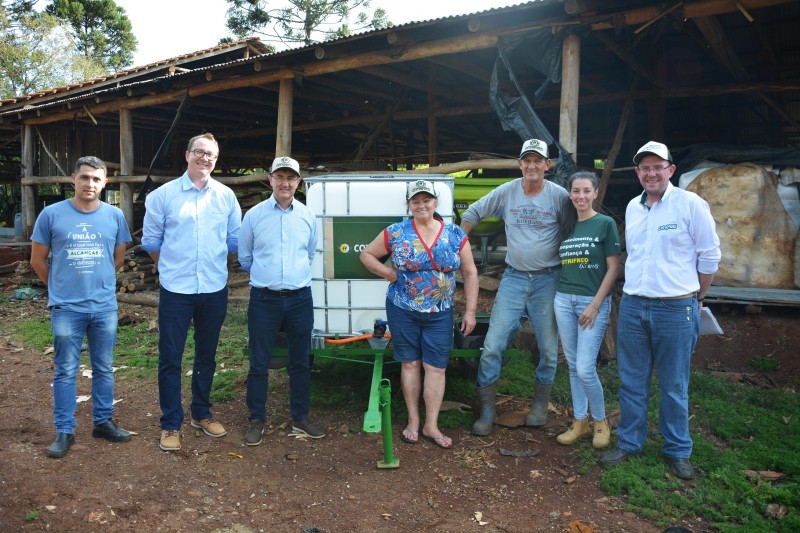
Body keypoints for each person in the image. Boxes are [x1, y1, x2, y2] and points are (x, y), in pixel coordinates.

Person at [600, 141, 721, 480]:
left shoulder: (690, 204)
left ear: (671, 170)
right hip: (634, 305)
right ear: (638, 173)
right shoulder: (634, 208)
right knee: (632, 380)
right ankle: (630, 442)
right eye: (644, 167)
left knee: (673, 384)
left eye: (658, 167)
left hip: (675, 307)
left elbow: (710, 257)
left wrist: (696, 296)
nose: (651, 173)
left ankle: (677, 450)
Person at [141, 133, 242, 452]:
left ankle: (201, 412)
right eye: (199, 152)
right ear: (187, 155)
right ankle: (171, 422)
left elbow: (234, 242)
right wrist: (171, 268)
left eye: (211, 154)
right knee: (170, 357)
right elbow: (151, 242)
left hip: (213, 288)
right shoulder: (163, 196)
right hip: (177, 290)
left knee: (207, 354)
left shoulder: (226, 197)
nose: (205, 158)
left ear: (216, 159)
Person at [461, 139, 568, 436]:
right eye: (526, 160)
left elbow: (577, 229)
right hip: (514, 278)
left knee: (548, 349)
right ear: (520, 164)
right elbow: (472, 213)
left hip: (548, 279)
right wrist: (458, 246)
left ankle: (538, 407)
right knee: (493, 344)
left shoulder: (559, 196)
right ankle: (487, 410)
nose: (532, 165)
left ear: (548, 165)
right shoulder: (508, 192)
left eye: (538, 160)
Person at [360, 180, 478, 449]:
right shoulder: (396, 232)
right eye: (416, 201)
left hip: (440, 312)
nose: (421, 205)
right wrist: (389, 273)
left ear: (436, 203)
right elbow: (367, 255)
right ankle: (413, 420)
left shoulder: (455, 233)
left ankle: (431, 424)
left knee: (436, 367)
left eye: (427, 200)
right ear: (409, 205)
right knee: (410, 364)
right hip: (403, 310)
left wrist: (470, 311)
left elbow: (470, 272)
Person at [30, 156, 133, 458]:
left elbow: (117, 259)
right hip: (66, 308)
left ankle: (102, 422)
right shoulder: (51, 215)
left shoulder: (114, 217)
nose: (90, 184)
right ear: (73, 179)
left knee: (103, 367)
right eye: (85, 177)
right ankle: (64, 430)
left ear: (105, 183)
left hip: (103, 307)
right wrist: (60, 288)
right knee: (65, 370)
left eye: (96, 179)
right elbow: (37, 260)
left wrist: (96, 285)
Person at [240, 156, 324, 446]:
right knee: (259, 362)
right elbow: (246, 258)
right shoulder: (254, 216)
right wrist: (270, 278)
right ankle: (256, 419)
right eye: (280, 177)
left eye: (291, 178)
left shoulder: (307, 216)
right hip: (264, 299)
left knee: (301, 361)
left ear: (298, 182)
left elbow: (309, 254)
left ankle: (300, 418)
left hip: (300, 298)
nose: (285, 183)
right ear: (270, 180)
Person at [552, 172, 620, 449]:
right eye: (576, 191)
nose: (581, 196)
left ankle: (600, 421)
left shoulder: (605, 224)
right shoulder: (566, 225)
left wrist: (595, 304)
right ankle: (580, 422)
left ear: (594, 193)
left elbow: (614, 267)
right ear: (570, 194)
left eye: (586, 191)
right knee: (572, 365)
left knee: (585, 368)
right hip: (563, 300)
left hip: (592, 302)